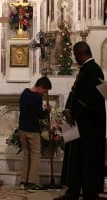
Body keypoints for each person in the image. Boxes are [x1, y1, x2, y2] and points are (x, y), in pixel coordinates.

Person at [54, 41, 106, 200]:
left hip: (90, 125)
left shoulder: (94, 70)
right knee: (73, 156)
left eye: (75, 56)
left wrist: (73, 113)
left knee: (88, 158)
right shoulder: (85, 70)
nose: (75, 59)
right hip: (78, 122)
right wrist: (67, 110)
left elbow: (96, 97)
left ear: (81, 54)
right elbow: (75, 92)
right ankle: (73, 190)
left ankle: (90, 192)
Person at [18, 76, 52, 190]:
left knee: (26, 154)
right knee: (35, 155)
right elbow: (40, 115)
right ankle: (32, 182)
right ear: (41, 87)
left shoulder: (24, 93)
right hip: (32, 130)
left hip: (22, 129)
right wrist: (47, 110)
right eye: (45, 91)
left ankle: (23, 181)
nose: (44, 93)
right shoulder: (37, 97)